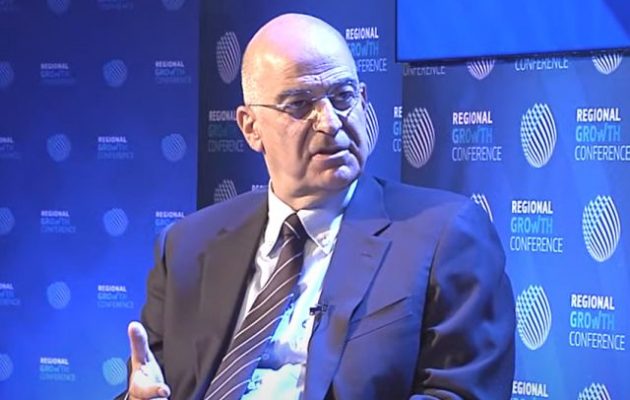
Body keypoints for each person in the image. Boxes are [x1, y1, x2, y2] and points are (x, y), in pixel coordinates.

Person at [119, 13, 515, 400]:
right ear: (250, 127)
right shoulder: (187, 245)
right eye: (299, 105)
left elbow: (459, 391)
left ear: (363, 101)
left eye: (343, 98)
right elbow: (149, 383)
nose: (330, 121)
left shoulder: (444, 234)